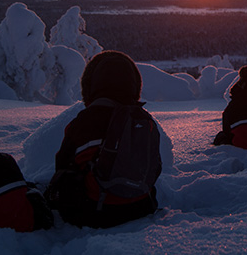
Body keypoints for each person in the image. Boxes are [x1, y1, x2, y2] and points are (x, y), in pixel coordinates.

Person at [46, 50, 162, 228]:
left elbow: (62, 164)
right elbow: (156, 167)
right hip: (141, 207)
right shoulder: (144, 120)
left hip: (93, 213)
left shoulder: (83, 121)